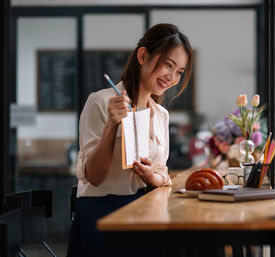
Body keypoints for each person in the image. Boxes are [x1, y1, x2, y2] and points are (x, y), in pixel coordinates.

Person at [67, 23, 193, 257]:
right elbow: (93, 177)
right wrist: (112, 124)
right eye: (168, 65)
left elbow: (161, 173)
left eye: (179, 72)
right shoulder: (100, 102)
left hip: (146, 211)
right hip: (102, 214)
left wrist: (150, 175)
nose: (172, 77)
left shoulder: (161, 115)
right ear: (143, 55)